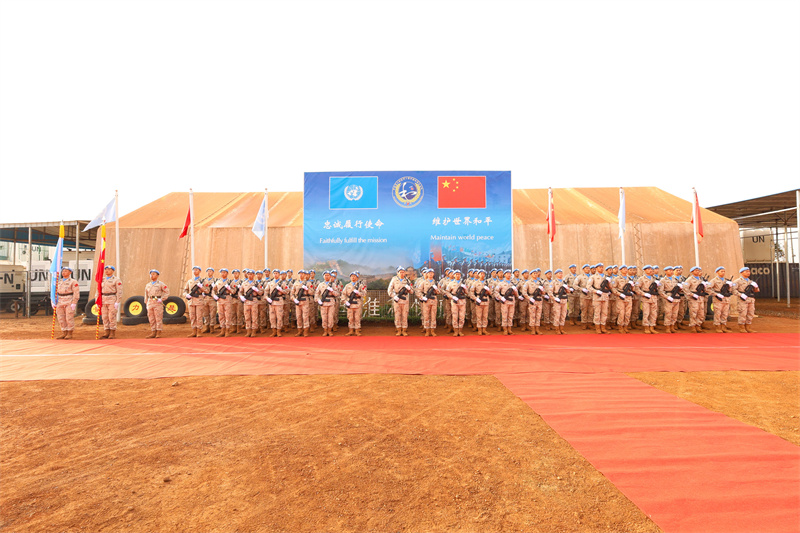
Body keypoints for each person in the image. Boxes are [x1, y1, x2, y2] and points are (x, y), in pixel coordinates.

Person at [54, 266, 80, 339]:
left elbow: (76, 292)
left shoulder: (73, 282)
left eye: (66, 271)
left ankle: (69, 332)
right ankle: (64, 332)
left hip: (69, 300)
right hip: (60, 300)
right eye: (63, 271)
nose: (63, 272)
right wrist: (54, 301)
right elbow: (55, 292)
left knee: (69, 317)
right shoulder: (59, 282)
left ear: (70, 272)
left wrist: (74, 302)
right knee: (60, 317)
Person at [388, 266, 413, 336]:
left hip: (405, 300)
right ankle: (398, 330)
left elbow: (412, 291)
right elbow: (389, 290)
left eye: (403, 272)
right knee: (397, 315)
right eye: (400, 272)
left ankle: (404, 330)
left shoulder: (407, 280)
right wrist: (394, 296)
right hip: (397, 299)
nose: (402, 273)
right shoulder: (394, 279)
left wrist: (409, 289)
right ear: (397, 273)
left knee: (405, 315)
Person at [707, 266, 734, 333]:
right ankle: (717, 327)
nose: (723, 272)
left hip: (726, 298)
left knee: (725, 313)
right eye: (721, 271)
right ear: (717, 272)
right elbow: (707, 289)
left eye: (724, 271)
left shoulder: (726, 281)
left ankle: (723, 327)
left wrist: (730, 286)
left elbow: (730, 290)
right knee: (718, 313)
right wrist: (716, 294)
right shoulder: (713, 280)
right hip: (718, 299)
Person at [683, 266, 709, 333]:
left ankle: (698, 325)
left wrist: (705, 286)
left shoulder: (700, 279)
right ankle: (693, 326)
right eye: (696, 270)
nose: (697, 272)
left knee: (701, 313)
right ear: (692, 271)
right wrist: (692, 294)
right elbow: (685, 288)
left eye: (698, 270)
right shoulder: (689, 279)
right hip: (693, 298)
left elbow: (705, 289)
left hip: (700, 297)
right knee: (693, 313)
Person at [99, 265, 123, 339]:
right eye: (106, 269)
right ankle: (106, 331)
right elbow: (98, 290)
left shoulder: (116, 280)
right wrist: (97, 300)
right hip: (103, 299)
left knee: (111, 316)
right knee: (104, 317)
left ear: (113, 271)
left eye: (109, 269)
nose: (107, 271)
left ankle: (112, 332)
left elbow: (119, 291)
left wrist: (117, 301)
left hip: (112, 298)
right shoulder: (102, 279)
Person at [144, 269, 169, 338]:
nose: (152, 275)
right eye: (151, 274)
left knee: (158, 317)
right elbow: (146, 294)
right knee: (151, 318)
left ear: (157, 275)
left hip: (157, 302)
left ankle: (158, 332)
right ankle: (153, 331)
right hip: (150, 302)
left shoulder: (161, 284)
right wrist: (146, 302)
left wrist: (162, 299)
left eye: (153, 274)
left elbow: (167, 292)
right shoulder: (148, 285)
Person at [734, 266, 759, 332]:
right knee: (743, 313)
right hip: (743, 300)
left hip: (750, 299)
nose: (748, 272)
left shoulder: (751, 282)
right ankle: (742, 327)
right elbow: (733, 290)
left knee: (750, 313)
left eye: (749, 271)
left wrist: (756, 287)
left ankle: (748, 327)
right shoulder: (737, 281)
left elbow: (756, 290)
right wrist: (740, 295)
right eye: (746, 271)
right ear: (741, 272)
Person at [636, 265, 660, 334]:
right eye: (648, 269)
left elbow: (660, 288)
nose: (650, 270)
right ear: (645, 270)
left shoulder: (655, 278)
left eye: (651, 269)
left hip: (654, 297)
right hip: (646, 298)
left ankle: (652, 327)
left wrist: (658, 285)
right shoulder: (641, 279)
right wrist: (643, 294)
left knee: (654, 313)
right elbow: (636, 288)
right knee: (646, 313)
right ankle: (646, 327)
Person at [658, 266, 682, 334]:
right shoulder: (663, 280)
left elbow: (679, 289)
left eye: (672, 270)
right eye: (669, 270)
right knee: (668, 313)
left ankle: (672, 326)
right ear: (665, 271)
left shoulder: (675, 279)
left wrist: (680, 288)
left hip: (676, 297)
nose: (671, 272)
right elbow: (660, 291)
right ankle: (667, 327)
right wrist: (667, 297)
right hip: (669, 297)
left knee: (675, 314)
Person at [416, 268, 439, 336]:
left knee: (433, 316)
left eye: (432, 273)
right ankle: (427, 331)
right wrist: (422, 297)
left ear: (433, 274)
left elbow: (439, 292)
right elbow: (418, 291)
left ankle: (432, 330)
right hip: (426, 300)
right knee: (426, 316)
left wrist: (436, 289)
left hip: (434, 300)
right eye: (429, 273)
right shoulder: (423, 282)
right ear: (427, 274)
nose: (430, 274)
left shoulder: (436, 282)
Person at [316, 270, 340, 336]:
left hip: (331, 302)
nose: (326, 276)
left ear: (330, 276)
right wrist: (318, 300)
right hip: (323, 303)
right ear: (323, 276)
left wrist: (332, 291)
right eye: (325, 275)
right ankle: (325, 331)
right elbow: (316, 294)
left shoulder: (333, 284)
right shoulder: (320, 285)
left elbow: (337, 294)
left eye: (328, 275)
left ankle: (329, 330)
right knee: (324, 317)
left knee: (330, 317)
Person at [341, 271, 366, 336]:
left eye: (354, 276)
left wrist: (358, 293)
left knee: (357, 318)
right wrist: (345, 301)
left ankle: (357, 331)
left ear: (357, 278)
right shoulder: (347, 285)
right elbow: (343, 294)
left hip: (357, 303)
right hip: (350, 303)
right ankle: (351, 331)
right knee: (350, 318)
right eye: (352, 276)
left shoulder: (360, 285)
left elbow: (364, 293)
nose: (353, 277)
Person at [589, 263, 612, 334]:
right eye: (599, 267)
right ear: (596, 268)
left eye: (602, 267)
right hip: (597, 296)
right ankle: (597, 327)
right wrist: (596, 291)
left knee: (604, 313)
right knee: (597, 312)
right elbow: (588, 287)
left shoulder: (606, 277)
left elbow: (611, 287)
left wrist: (609, 282)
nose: (601, 268)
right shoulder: (593, 277)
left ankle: (603, 327)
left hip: (605, 296)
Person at [184, 266, 205, 338]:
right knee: (192, 316)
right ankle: (194, 331)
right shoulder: (190, 281)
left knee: (199, 316)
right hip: (191, 301)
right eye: (194, 270)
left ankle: (199, 331)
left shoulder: (203, 281)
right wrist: (186, 294)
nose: (195, 271)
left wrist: (202, 287)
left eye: (196, 270)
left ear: (200, 271)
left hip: (199, 300)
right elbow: (185, 290)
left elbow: (207, 290)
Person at [494, 270, 517, 335]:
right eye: (507, 274)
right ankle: (505, 329)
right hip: (505, 301)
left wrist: (515, 291)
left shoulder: (512, 284)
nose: (509, 275)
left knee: (510, 316)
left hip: (511, 301)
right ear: (504, 275)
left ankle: (509, 329)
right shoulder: (501, 283)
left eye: (510, 274)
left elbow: (516, 295)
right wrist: (501, 298)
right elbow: (496, 292)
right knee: (504, 316)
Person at [445, 269, 468, 336]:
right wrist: (452, 297)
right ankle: (455, 330)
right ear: (454, 275)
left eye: (459, 274)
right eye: (456, 274)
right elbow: (447, 292)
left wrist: (465, 288)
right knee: (455, 316)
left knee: (462, 316)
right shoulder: (451, 283)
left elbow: (467, 293)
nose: (457, 275)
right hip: (455, 301)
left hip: (462, 301)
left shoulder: (463, 283)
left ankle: (460, 330)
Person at [239, 269, 261, 337]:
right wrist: (241, 297)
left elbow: (261, 292)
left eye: (251, 274)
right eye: (248, 274)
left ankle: (254, 331)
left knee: (254, 317)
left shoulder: (257, 283)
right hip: (246, 301)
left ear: (253, 275)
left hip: (254, 301)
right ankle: (248, 331)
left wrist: (257, 290)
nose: (249, 275)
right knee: (247, 317)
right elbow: (240, 292)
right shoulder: (244, 283)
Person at [290, 270, 313, 337]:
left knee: (305, 316)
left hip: (305, 300)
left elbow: (312, 292)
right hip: (298, 301)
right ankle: (299, 331)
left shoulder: (308, 283)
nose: (301, 275)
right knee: (298, 316)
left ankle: (305, 331)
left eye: (302, 274)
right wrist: (294, 299)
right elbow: (292, 293)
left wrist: (307, 289)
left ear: (305, 275)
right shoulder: (296, 283)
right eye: (300, 274)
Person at [548, 269, 570, 334]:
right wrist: (554, 298)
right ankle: (557, 329)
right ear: (556, 274)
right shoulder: (553, 282)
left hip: (564, 299)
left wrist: (567, 288)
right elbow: (550, 292)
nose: (560, 274)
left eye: (561, 273)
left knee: (563, 314)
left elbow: (568, 291)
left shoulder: (564, 282)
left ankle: (562, 328)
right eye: (559, 273)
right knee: (557, 314)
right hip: (557, 299)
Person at [213, 268, 234, 337]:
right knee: (221, 315)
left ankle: (227, 331)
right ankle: (222, 330)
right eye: (222, 272)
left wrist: (229, 289)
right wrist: (214, 296)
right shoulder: (218, 282)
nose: (223, 274)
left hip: (227, 299)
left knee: (228, 315)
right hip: (220, 300)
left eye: (224, 272)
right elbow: (213, 290)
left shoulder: (230, 282)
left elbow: (234, 291)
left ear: (227, 273)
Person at [614, 265, 634, 334]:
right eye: (624, 269)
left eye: (626, 269)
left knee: (628, 313)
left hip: (628, 297)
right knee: (621, 313)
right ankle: (620, 327)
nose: (625, 270)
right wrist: (619, 294)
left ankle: (626, 326)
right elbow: (613, 288)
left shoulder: (630, 278)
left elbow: (633, 289)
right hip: (621, 297)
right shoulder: (617, 278)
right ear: (621, 270)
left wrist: (633, 286)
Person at [266, 269, 285, 337]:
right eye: (274, 273)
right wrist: (267, 298)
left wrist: (281, 290)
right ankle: (274, 331)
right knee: (272, 317)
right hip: (272, 301)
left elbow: (287, 291)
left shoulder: (282, 283)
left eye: (277, 273)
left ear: (279, 274)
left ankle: (278, 331)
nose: (275, 274)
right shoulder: (270, 283)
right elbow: (265, 292)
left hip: (279, 301)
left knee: (279, 317)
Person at [573, 264, 593, 330]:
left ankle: (589, 323)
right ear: (583, 269)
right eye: (586, 268)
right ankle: (584, 323)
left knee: (591, 311)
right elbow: (574, 285)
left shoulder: (592, 276)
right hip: (584, 296)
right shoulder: (580, 277)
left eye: (588, 268)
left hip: (592, 295)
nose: (588, 269)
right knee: (584, 310)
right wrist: (581, 289)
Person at [201, 267, 217, 334]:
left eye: (210, 271)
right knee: (205, 314)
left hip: (212, 299)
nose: (209, 272)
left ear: (213, 272)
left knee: (212, 314)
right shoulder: (203, 280)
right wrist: (202, 293)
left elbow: (217, 289)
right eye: (208, 271)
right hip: (205, 299)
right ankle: (207, 327)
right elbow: (201, 288)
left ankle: (212, 327)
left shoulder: (216, 280)